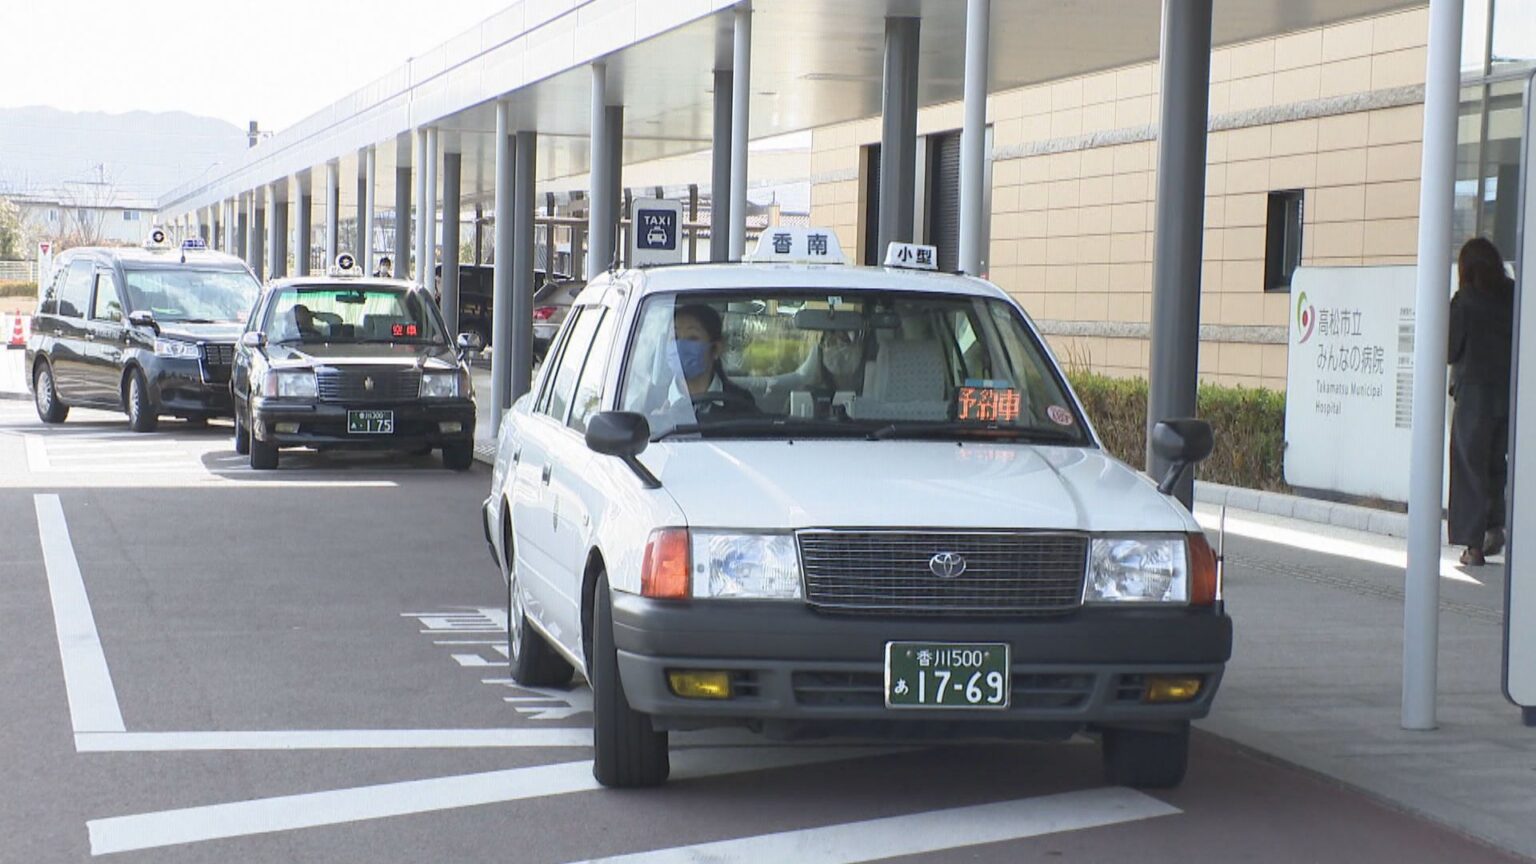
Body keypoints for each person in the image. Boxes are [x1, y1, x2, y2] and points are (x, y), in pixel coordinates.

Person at [1447, 237, 1514, 566]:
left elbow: (1449, 349)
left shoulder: (1465, 301)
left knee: (1469, 467)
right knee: (1495, 466)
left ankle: (1473, 546)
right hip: (1507, 392)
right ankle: (1494, 528)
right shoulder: (1514, 295)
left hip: (1474, 393)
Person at [665, 303, 757, 420]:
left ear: (715, 349)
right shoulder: (649, 402)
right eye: (675, 337)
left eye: (692, 338)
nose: (680, 347)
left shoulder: (741, 402)